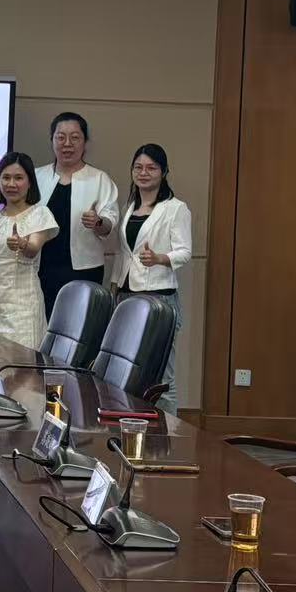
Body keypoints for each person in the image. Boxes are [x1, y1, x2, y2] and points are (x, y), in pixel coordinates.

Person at [111, 143, 193, 411]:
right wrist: (115, 285)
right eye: (138, 167)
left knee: (162, 376)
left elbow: (185, 252)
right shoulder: (131, 206)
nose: (143, 173)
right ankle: (132, 425)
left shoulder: (175, 208)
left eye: (151, 168)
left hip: (159, 299)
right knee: (127, 371)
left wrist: (159, 258)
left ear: (164, 172)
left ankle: (170, 432)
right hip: (127, 297)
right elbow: (124, 252)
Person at [0, 151, 59, 348]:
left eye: (18, 178)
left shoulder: (40, 213)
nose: (11, 184)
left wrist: (22, 244)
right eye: (6, 178)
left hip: (23, 311)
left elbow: (33, 249)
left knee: (23, 365)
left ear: (30, 182)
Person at [34, 112, 119, 314]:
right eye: (60, 137)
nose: (67, 144)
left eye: (75, 137)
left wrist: (98, 222)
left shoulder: (99, 179)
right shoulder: (37, 177)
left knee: (79, 325)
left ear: (85, 142)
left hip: (84, 270)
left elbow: (110, 224)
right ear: (52, 140)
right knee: (41, 326)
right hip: (40, 269)